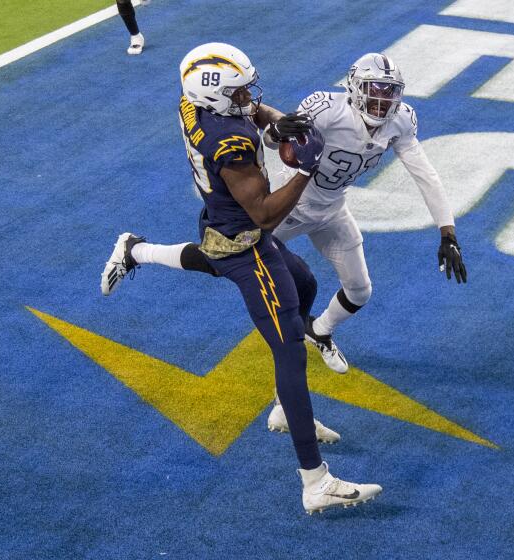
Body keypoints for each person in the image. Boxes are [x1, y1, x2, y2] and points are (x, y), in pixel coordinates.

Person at [118, 53, 468, 437]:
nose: (382, 103)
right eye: (374, 93)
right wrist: (277, 132)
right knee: (222, 260)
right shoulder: (325, 110)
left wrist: (446, 230)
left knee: (360, 290)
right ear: (353, 89)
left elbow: (424, 173)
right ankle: (137, 251)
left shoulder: (400, 121)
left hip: (333, 210)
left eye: (389, 95)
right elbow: (273, 139)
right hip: (288, 206)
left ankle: (319, 331)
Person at [100, 42, 382, 514]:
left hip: (222, 221)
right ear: (217, 96)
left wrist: (275, 119)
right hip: (246, 238)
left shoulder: (193, 103)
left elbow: (247, 110)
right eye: (239, 90)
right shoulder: (229, 147)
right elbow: (267, 214)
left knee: (305, 283)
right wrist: (307, 171)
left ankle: (135, 250)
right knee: (290, 347)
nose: (248, 95)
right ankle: (315, 481)